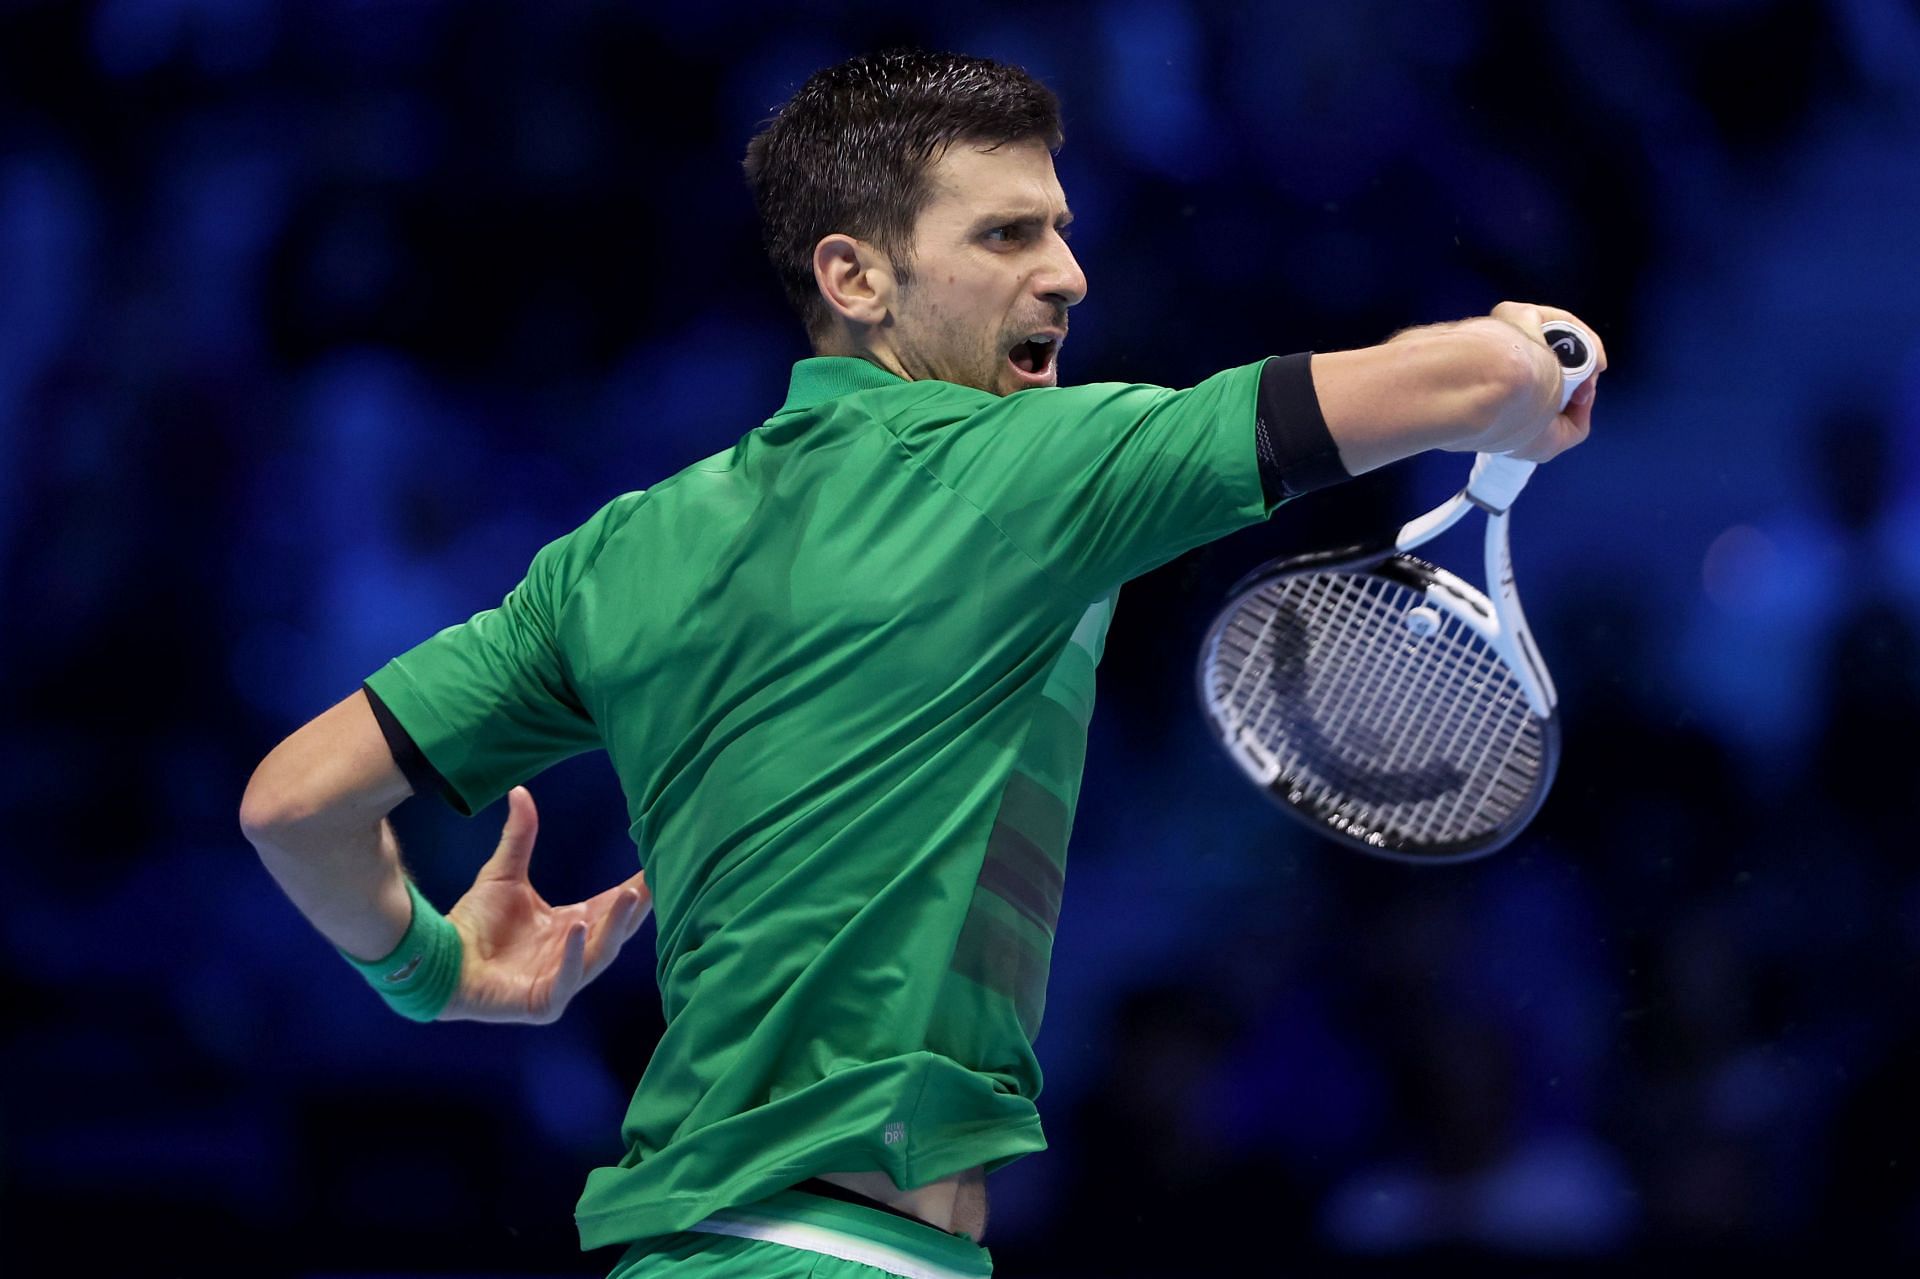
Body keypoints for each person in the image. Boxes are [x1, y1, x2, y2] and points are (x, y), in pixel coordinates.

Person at [240, 48, 1604, 1279]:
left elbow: (297, 802)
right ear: (855, 278)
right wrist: (1540, 354)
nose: (1066, 273)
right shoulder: (1023, 472)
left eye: (1062, 230)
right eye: (1009, 235)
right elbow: (1452, 384)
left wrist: (429, 969)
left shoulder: (617, 555)